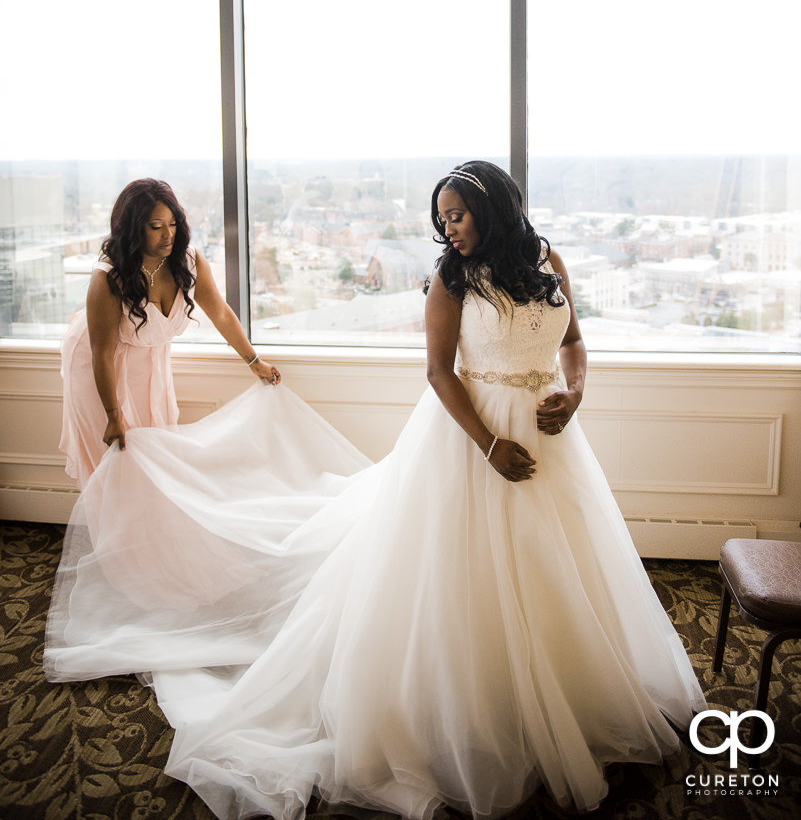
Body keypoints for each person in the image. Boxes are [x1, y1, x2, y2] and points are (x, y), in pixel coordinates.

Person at [46, 161, 705, 819]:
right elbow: (439, 375)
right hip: (469, 435)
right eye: (441, 218)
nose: (448, 228)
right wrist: (488, 444)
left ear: (495, 208)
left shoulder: (544, 257)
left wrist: (576, 391)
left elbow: (574, 342)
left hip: (549, 435)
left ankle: (564, 689)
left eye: (458, 214)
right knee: (455, 578)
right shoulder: (449, 277)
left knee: (559, 564)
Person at [59, 178, 280, 489]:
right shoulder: (109, 277)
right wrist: (112, 414)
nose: (168, 234)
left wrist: (254, 361)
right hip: (98, 367)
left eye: (173, 224)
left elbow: (219, 312)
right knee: (115, 468)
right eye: (155, 226)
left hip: (148, 364)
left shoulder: (187, 261)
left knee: (154, 463)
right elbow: (102, 353)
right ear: (134, 228)